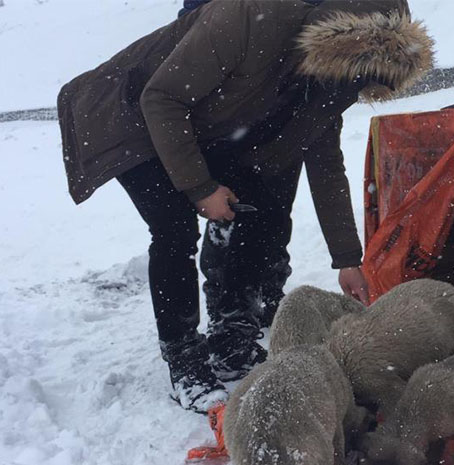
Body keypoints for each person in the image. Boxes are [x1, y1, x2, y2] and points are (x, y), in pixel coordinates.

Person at [57, 0, 433, 413]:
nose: (353, 86)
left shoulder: (332, 79)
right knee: (174, 228)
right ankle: (184, 359)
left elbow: (326, 166)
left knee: (264, 207)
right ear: (340, 37)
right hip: (126, 112)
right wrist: (201, 188)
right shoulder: (249, 18)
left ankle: (230, 334)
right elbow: (161, 98)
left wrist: (347, 260)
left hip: (191, 121)